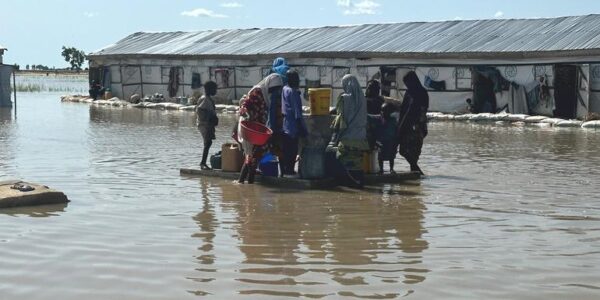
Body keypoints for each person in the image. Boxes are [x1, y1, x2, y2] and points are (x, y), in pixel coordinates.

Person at [331, 74, 369, 188]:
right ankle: (359, 184)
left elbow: (340, 118)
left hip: (348, 138)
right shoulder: (362, 99)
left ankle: (350, 185)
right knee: (357, 163)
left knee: (344, 161)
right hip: (361, 138)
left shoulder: (344, 99)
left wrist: (333, 139)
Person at [397, 71, 428, 175]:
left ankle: (416, 172)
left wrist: (402, 126)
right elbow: (404, 109)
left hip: (415, 126)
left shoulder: (420, 93)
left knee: (410, 151)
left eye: (408, 83)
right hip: (410, 125)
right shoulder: (410, 92)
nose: (407, 85)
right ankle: (416, 174)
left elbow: (415, 110)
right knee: (405, 151)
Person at [237, 87, 268, 184]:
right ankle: (246, 181)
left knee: (251, 157)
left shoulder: (259, 104)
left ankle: (245, 180)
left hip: (257, 134)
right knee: (250, 157)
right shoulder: (247, 107)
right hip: (250, 135)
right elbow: (245, 119)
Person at [281, 70, 307, 176]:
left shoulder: (284, 89)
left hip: (285, 124)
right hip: (293, 126)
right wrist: (303, 129)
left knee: (286, 150)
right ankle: (290, 172)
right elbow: (297, 113)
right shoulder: (293, 92)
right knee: (292, 150)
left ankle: (285, 171)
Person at [195, 81, 218, 170]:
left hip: (207, 124)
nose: (216, 91)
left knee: (208, 142)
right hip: (204, 125)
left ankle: (203, 163)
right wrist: (210, 118)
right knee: (207, 142)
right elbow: (200, 110)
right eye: (214, 89)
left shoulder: (207, 98)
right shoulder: (205, 99)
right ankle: (202, 163)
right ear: (209, 89)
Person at [376, 102, 399, 174]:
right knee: (380, 156)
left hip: (391, 141)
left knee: (391, 156)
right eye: (382, 110)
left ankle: (391, 169)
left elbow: (396, 130)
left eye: (385, 110)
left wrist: (396, 141)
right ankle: (381, 169)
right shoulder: (379, 119)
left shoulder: (393, 120)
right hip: (381, 141)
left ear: (390, 112)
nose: (383, 112)